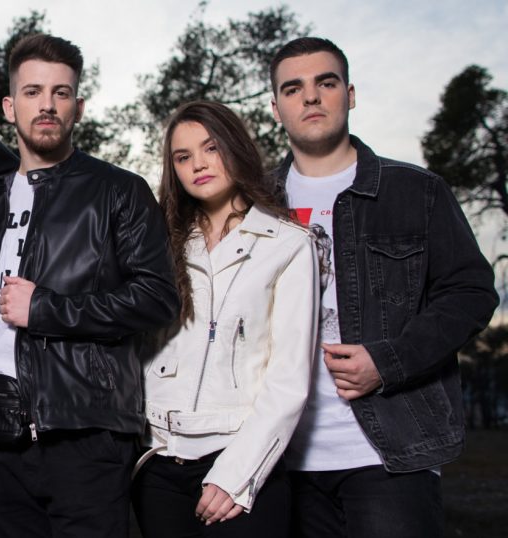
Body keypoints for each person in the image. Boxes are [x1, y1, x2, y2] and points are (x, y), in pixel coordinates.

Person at [0, 33, 178, 537]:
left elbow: (158, 297)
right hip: (1, 434)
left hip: (86, 433)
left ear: (78, 107)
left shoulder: (119, 190)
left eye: (60, 93)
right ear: (10, 107)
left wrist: (47, 309)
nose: (46, 105)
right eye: (32, 92)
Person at [269, 37, 499, 538]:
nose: (310, 97)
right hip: (277, 460)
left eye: (326, 83)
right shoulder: (255, 204)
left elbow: (471, 292)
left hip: (388, 454)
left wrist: (389, 361)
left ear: (349, 95)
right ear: (276, 107)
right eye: (293, 88)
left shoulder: (416, 191)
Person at [130, 101, 317, 537]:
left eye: (210, 148)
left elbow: (289, 378)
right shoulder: (160, 240)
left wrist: (237, 475)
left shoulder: (288, 243)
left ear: (235, 147)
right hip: (157, 462)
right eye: (183, 157)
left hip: (237, 457)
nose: (198, 164)